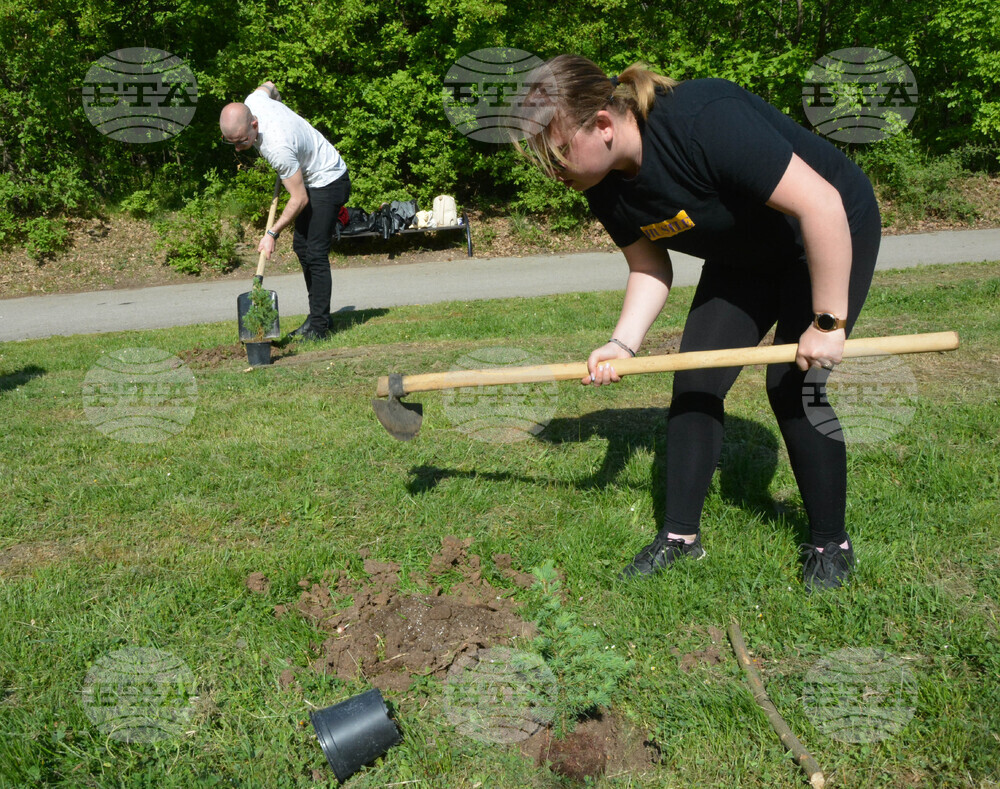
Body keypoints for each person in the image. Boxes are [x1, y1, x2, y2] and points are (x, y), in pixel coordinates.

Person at [517, 56, 882, 592]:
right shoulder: (601, 181)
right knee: (695, 382)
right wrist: (623, 343)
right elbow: (648, 265)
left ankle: (832, 543)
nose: (554, 171)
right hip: (744, 256)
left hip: (826, 232)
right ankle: (681, 538)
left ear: (602, 124)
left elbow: (822, 205)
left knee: (792, 384)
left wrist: (828, 321)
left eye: (558, 152)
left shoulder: (703, 118)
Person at [220, 82, 351, 340]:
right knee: (302, 248)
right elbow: (268, 85)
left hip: (329, 180)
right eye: (231, 143)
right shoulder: (254, 101)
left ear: (254, 125)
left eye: (242, 141)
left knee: (315, 252)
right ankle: (318, 317)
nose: (238, 149)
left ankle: (320, 328)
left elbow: (299, 199)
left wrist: (272, 233)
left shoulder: (277, 147)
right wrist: (278, 102)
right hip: (309, 178)